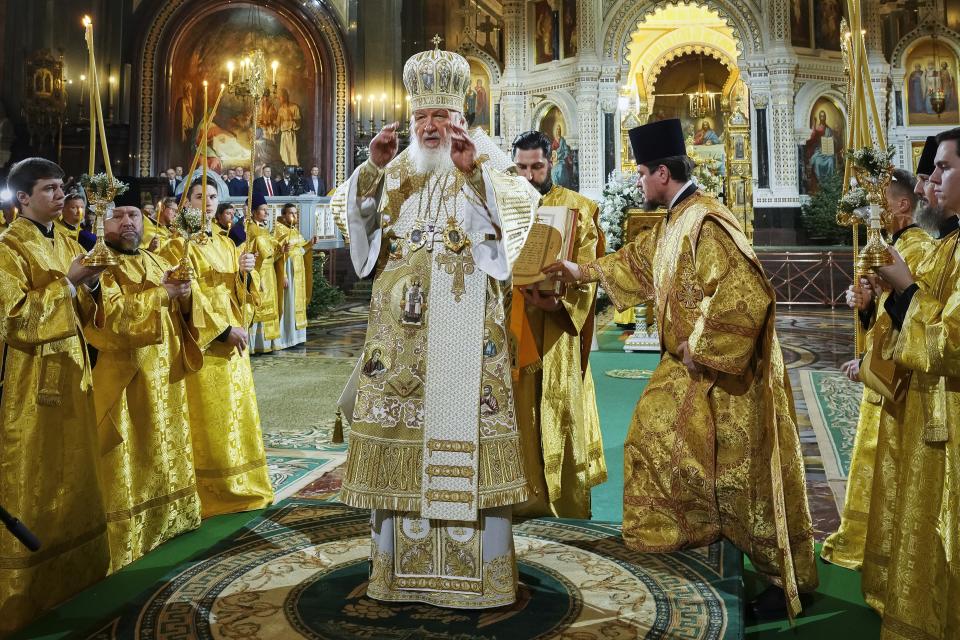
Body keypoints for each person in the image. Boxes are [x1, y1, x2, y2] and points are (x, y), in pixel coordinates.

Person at [543, 118, 818, 618]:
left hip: (726, 375)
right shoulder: (675, 219)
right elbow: (639, 264)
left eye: (643, 173)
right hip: (691, 366)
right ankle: (691, 541)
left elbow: (747, 292)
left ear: (663, 173)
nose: (639, 182)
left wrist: (701, 345)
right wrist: (579, 271)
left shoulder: (707, 221)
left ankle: (783, 585)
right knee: (656, 440)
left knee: (745, 477)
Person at [332, 42, 538, 609]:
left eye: (440, 116)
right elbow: (354, 226)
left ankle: (480, 579)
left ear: (461, 116)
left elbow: (518, 220)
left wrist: (474, 178)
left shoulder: (490, 161)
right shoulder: (396, 168)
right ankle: (397, 575)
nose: (429, 127)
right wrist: (371, 170)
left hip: (466, 343)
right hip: (399, 348)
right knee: (402, 443)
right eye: (421, 116)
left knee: (465, 444)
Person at [0, 158, 109, 635]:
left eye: (62, 187)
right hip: (31, 380)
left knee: (75, 467)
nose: (60, 195)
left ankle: (78, 573)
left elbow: (84, 306)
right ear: (22, 198)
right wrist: (68, 282)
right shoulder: (8, 247)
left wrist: (91, 284)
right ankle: (29, 589)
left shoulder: (65, 238)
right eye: (49, 189)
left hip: (73, 370)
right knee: (36, 469)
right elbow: (14, 319)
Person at [821, 168, 933, 586]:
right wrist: (866, 307)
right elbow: (889, 315)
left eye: (879, 199)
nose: (871, 208)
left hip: (903, 377)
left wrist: (873, 355)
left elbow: (920, 317)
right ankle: (872, 543)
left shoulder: (917, 248)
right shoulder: (894, 245)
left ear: (903, 205)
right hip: (886, 371)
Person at [871, 127, 960, 638]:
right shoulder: (949, 243)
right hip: (931, 405)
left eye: (945, 167)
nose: (933, 179)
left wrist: (904, 287)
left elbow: (951, 341)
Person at [85, 205, 203, 572]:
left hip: (164, 373)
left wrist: (183, 294)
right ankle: (129, 532)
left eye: (134, 215)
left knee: (162, 443)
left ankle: (172, 519)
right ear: (100, 223)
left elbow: (180, 309)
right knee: (130, 453)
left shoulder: (153, 259)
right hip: (124, 375)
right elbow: (110, 320)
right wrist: (164, 294)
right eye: (117, 216)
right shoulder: (98, 265)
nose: (127, 223)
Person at [157, 178, 273, 517]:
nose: (207, 202)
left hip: (233, 335)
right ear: (184, 201)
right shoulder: (175, 244)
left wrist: (244, 273)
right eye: (198, 196)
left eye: (212, 197)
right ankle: (210, 492)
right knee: (207, 417)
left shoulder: (224, 242)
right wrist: (222, 331)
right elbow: (185, 295)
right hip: (202, 342)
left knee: (235, 414)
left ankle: (239, 483)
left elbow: (242, 294)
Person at [510, 130, 606, 518]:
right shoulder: (505, 207)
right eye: (521, 167)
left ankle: (563, 506)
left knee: (557, 408)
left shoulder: (579, 208)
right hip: (512, 324)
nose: (529, 176)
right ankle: (515, 501)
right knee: (515, 411)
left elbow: (589, 271)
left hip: (557, 331)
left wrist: (555, 302)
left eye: (537, 167)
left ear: (552, 163)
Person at [274, 203, 315, 349]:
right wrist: (283, 275)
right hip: (288, 272)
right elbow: (279, 255)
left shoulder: (295, 231)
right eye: (290, 213)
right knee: (288, 303)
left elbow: (300, 251)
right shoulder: (279, 230)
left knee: (296, 302)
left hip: (298, 273)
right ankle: (287, 338)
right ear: (284, 215)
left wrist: (309, 244)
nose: (294, 216)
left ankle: (297, 337)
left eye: (295, 213)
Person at [246, 203, 283, 353]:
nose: (266, 213)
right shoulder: (250, 229)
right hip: (258, 271)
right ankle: (256, 345)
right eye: (263, 210)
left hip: (269, 272)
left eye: (267, 210)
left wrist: (281, 250)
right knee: (259, 304)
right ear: (254, 212)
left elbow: (273, 256)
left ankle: (269, 344)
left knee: (270, 305)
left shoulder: (264, 229)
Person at [277, 88, 301, 167]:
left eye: (280, 96)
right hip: (284, 136)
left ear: (285, 96)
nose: (279, 99)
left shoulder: (294, 107)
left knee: (293, 156)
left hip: (291, 135)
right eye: (279, 97)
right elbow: (278, 125)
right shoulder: (280, 110)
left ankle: (294, 174)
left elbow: (298, 124)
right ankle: (285, 174)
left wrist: (290, 120)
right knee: (284, 156)